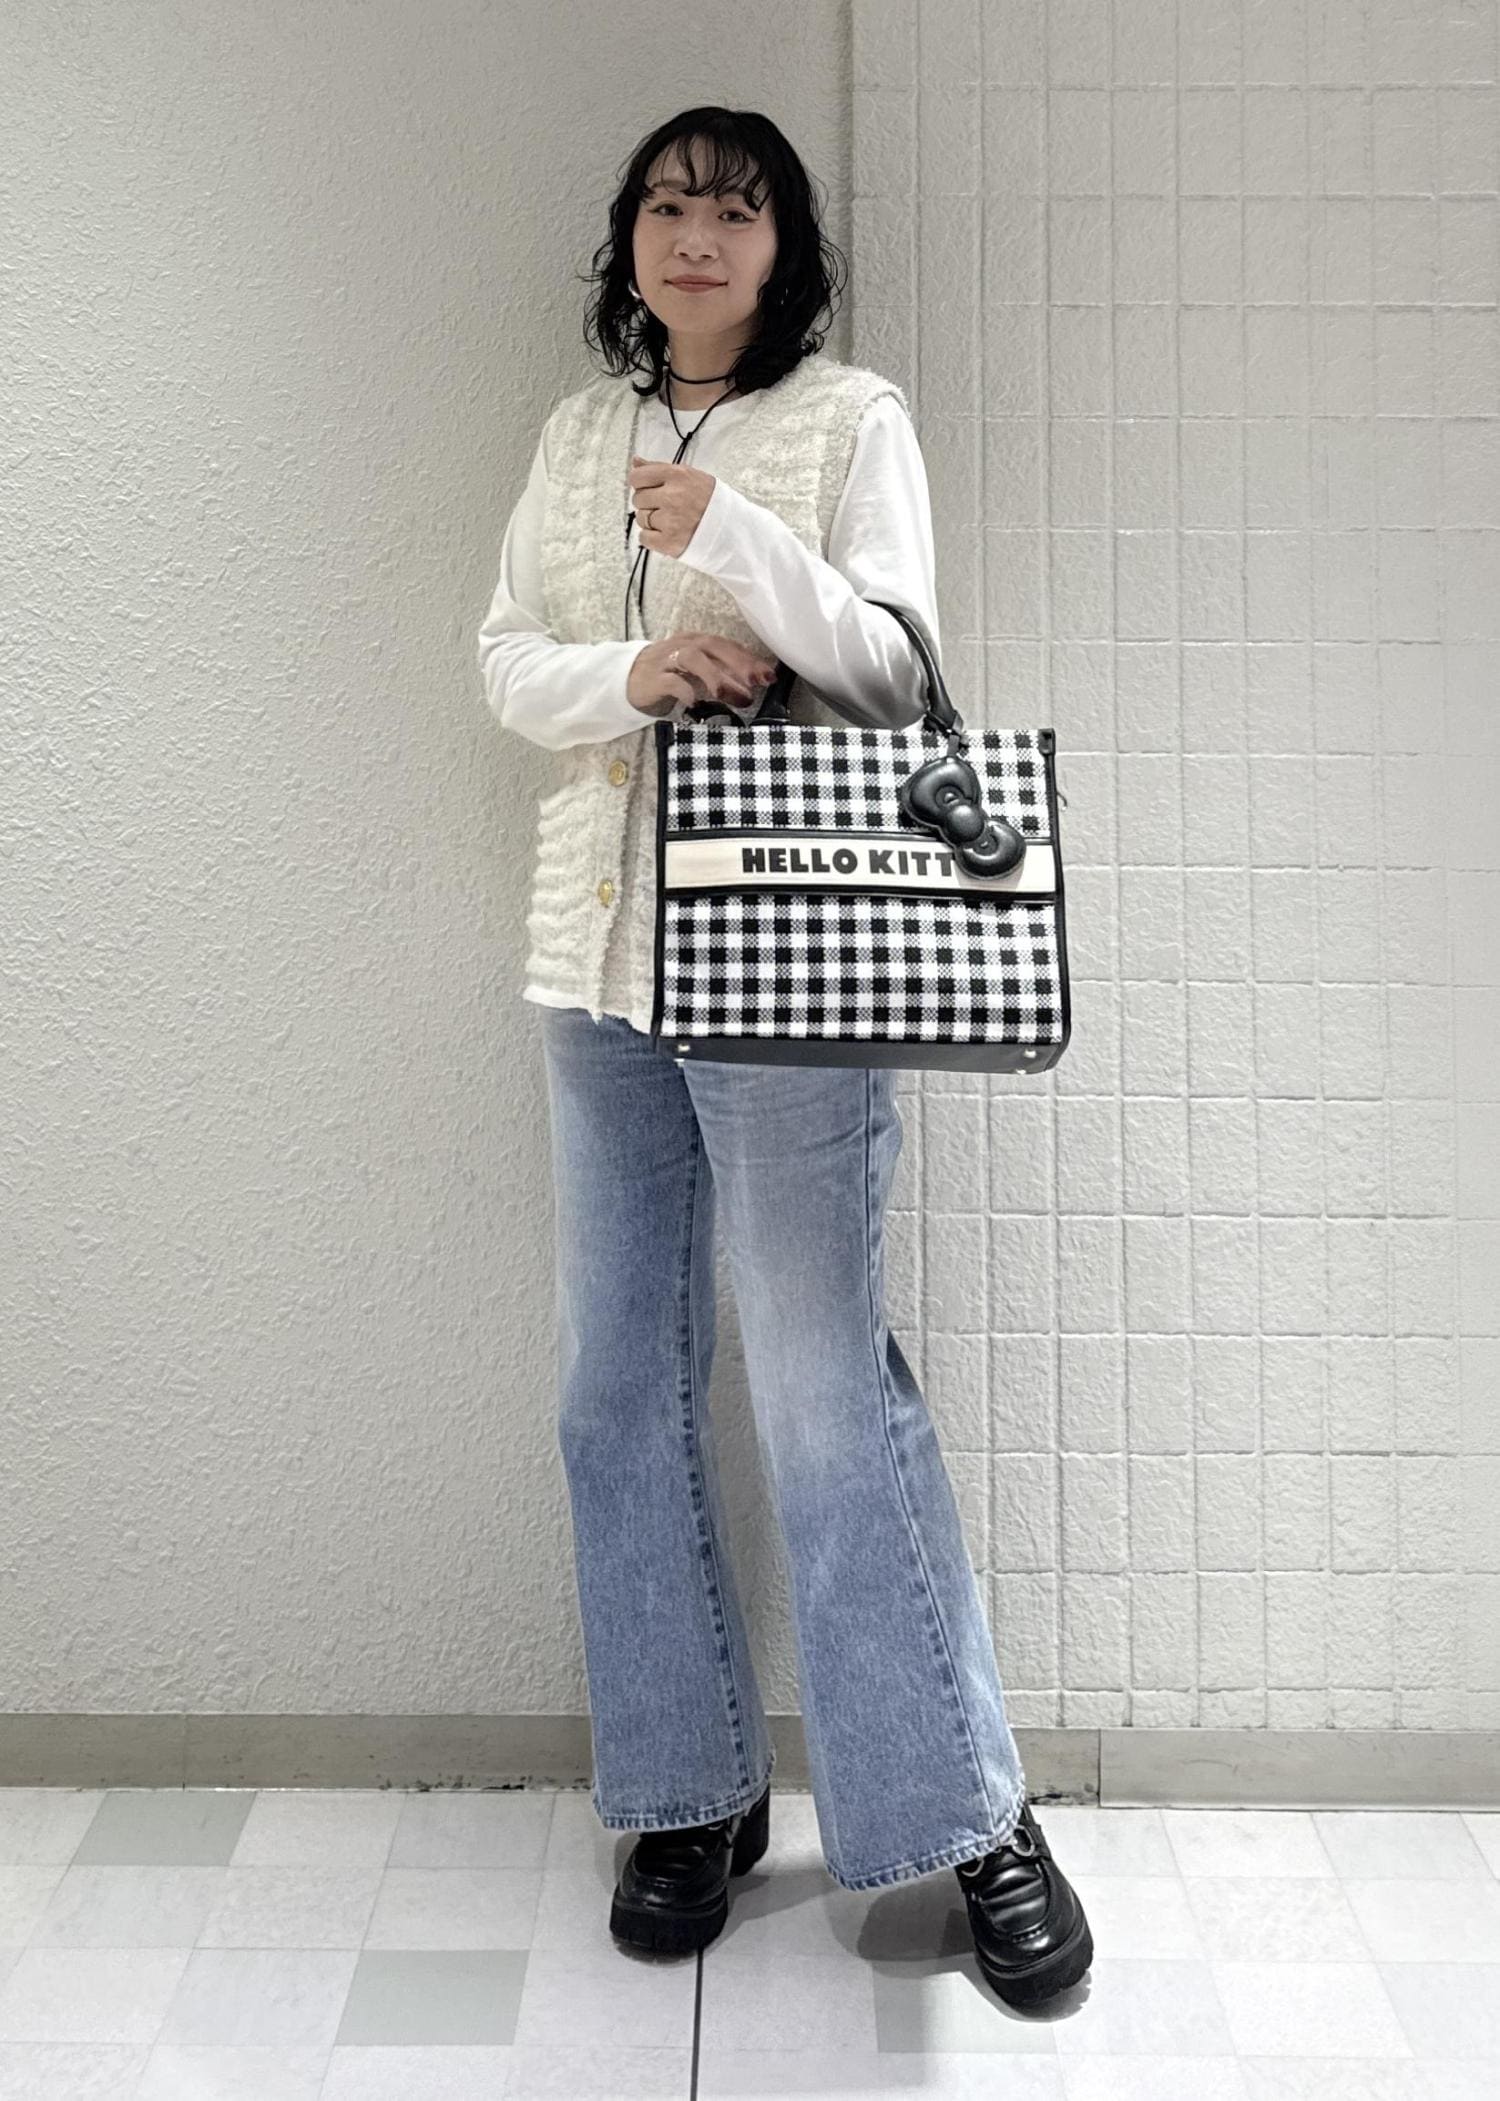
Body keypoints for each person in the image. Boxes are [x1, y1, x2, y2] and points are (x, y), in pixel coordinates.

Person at [476, 105, 1092, 2010]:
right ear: (629, 239)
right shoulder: (577, 436)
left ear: (783, 247)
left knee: (827, 1398)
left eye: (735, 210)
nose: (697, 235)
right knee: (612, 1391)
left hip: (791, 966)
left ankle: (972, 1809)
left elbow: (897, 668)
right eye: (668, 205)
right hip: (598, 969)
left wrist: (731, 537)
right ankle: (689, 1795)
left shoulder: (849, 418)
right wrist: (636, 670)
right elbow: (505, 656)